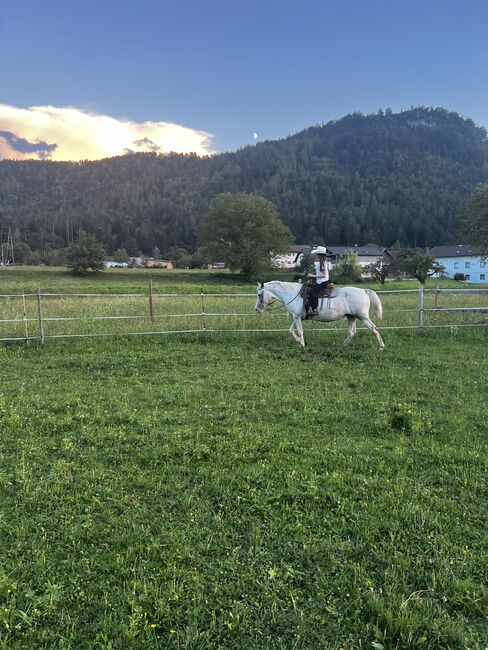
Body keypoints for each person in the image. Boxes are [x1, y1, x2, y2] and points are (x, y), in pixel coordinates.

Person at [306, 246, 333, 316]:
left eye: (318, 254)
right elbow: (320, 274)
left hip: (323, 282)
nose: (317, 256)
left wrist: (312, 276)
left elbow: (323, 275)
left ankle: (315, 309)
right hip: (321, 281)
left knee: (312, 292)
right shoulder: (322, 263)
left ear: (320, 255)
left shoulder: (323, 263)